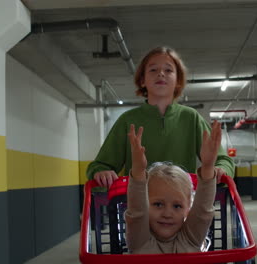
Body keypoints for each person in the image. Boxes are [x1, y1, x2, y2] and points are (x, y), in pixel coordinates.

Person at [86, 46, 234, 187]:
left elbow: (223, 160)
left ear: (178, 81)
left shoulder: (191, 118)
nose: (161, 73)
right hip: (139, 205)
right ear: (142, 80)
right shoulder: (128, 120)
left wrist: (221, 168)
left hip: (181, 206)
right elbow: (99, 165)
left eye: (168, 70)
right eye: (153, 69)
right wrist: (101, 172)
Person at [124, 120, 221, 253]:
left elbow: (202, 211)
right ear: (145, 204)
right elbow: (137, 213)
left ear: (188, 208)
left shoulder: (191, 238)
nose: (167, 214)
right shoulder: (140, 240)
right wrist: (138, 171)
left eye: (177, 206)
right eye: (158, 204)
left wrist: (208, 166)